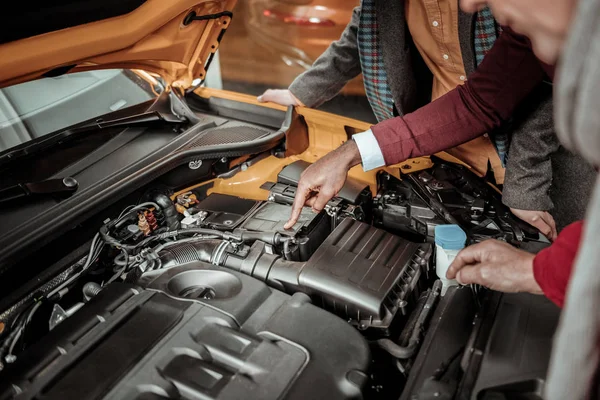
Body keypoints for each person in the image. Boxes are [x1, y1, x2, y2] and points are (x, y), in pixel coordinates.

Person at [257, 1, 596, 238]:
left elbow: (555, 90)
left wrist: (525, 185)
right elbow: (478, 102)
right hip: (443, 149)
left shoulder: (561, 32)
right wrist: (347, 149)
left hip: (531, 167)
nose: (471, 5)